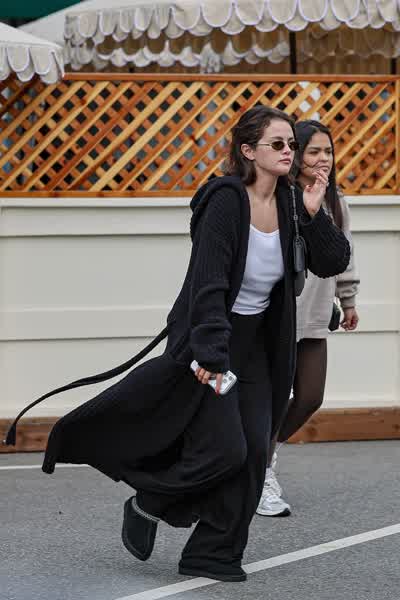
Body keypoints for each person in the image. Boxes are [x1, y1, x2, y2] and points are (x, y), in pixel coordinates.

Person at [4, 107, 350, 583]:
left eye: (292, 143)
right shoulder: (225, 201)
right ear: (248, 151)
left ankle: (213, 553)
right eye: (278, 143)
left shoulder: (293, 201)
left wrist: (312, 216)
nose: (289, 151)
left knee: (254, 453)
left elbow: (332, 262)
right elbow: (208, 282)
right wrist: (210, 355)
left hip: (260, 347)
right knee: (225, 449)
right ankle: (151, 499)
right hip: (213, 339)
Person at [257, 120, 360, 518]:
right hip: (278, 315)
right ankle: (260, 474)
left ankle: (264, 455)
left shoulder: (335, 199)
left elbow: (346, 254)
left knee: (310, 396)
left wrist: (348, 301)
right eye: (314, 151)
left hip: (316, 313)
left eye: (328, 151)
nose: (323, 159)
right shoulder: (279, 196)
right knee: (271, 398)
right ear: (297, 155)